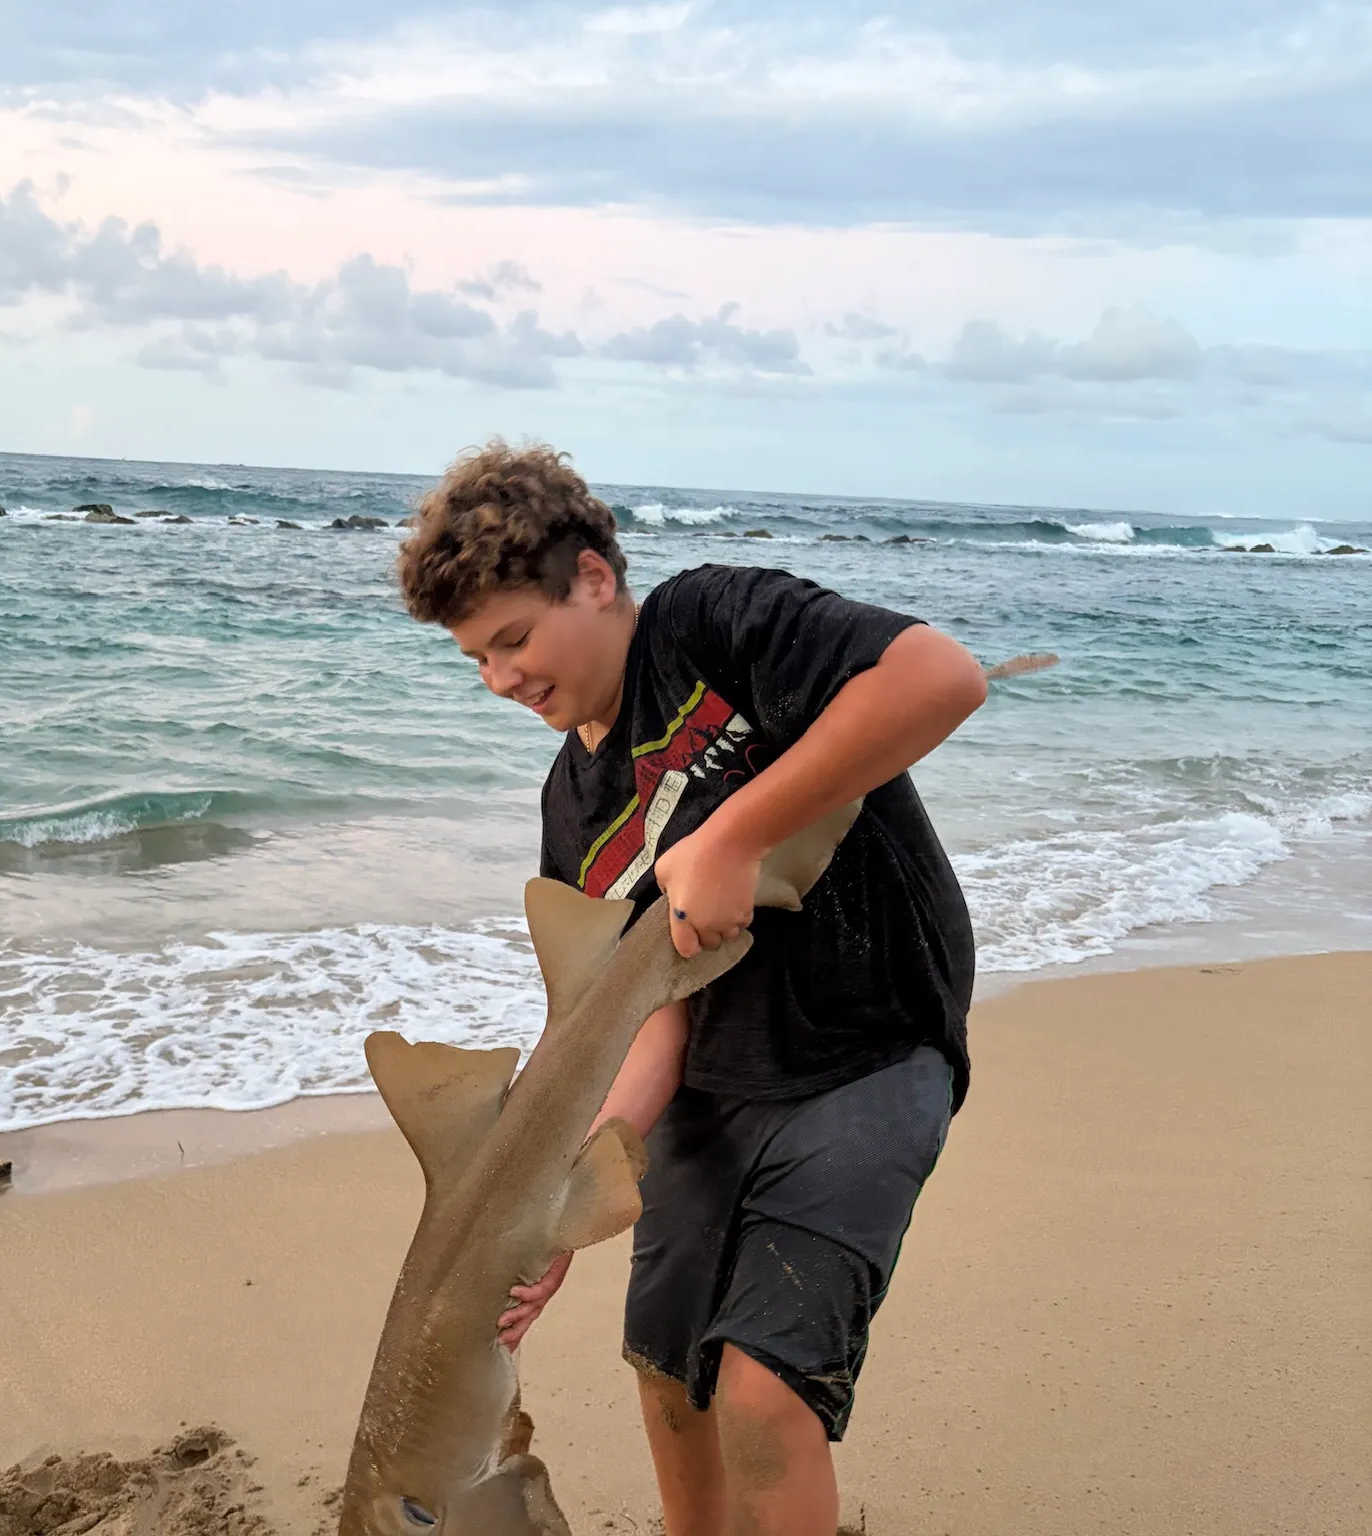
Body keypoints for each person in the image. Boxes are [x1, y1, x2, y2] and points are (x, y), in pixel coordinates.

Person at [396, 441, 986, 1536]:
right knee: (669, 1376)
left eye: (514, 638)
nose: (503, 678)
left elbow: (941, 677)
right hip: (710, 1096)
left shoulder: (709, 625)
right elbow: (647, 1025)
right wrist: (558, 1215)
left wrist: (736, 832)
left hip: (868, 1051)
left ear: (593, 577)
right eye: (476, 659)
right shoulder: (573, 806)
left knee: (764, 1392)